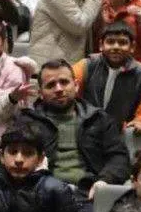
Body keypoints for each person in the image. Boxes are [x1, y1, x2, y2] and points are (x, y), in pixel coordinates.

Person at [22, 60, 132, 198]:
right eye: (50, 85)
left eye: (64, 82)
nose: (58, 89)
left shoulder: (98, 118)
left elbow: (119, 158)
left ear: (76, 85)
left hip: (89, 193)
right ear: (40, 93)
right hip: (41, 194)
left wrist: (104, 180)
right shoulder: (28, 120)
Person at [73, 22, 141, 131]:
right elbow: (68, 88)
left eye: (122, 43)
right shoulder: (86, 66)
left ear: (132, 47)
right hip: (86, 129)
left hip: (121, 133)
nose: (116, 47)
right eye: (110, 42)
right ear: (101, 45)